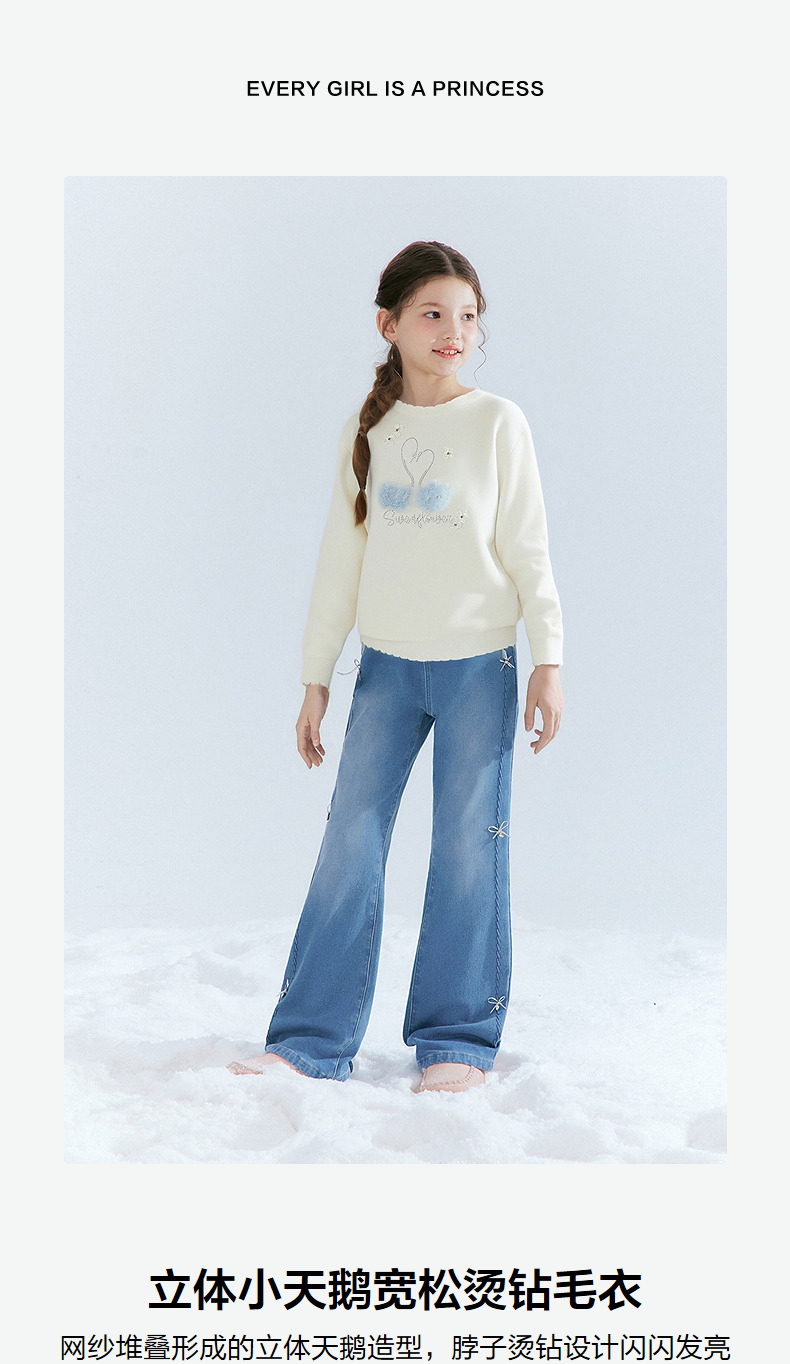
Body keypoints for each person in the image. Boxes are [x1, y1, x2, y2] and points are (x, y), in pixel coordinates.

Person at [229, 240, 563, 1092]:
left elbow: (528, 549)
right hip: (386, 671)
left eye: (468, 316)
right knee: (350, 842)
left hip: (479, 668)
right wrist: (315, 678)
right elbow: (339, 561)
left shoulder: (498, 423)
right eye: (433, 313)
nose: (455, 331)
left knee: (466, 849)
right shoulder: (369, 427)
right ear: (389, 324)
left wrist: (548, 659)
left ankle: (457, 1040)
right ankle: (308, 1041)